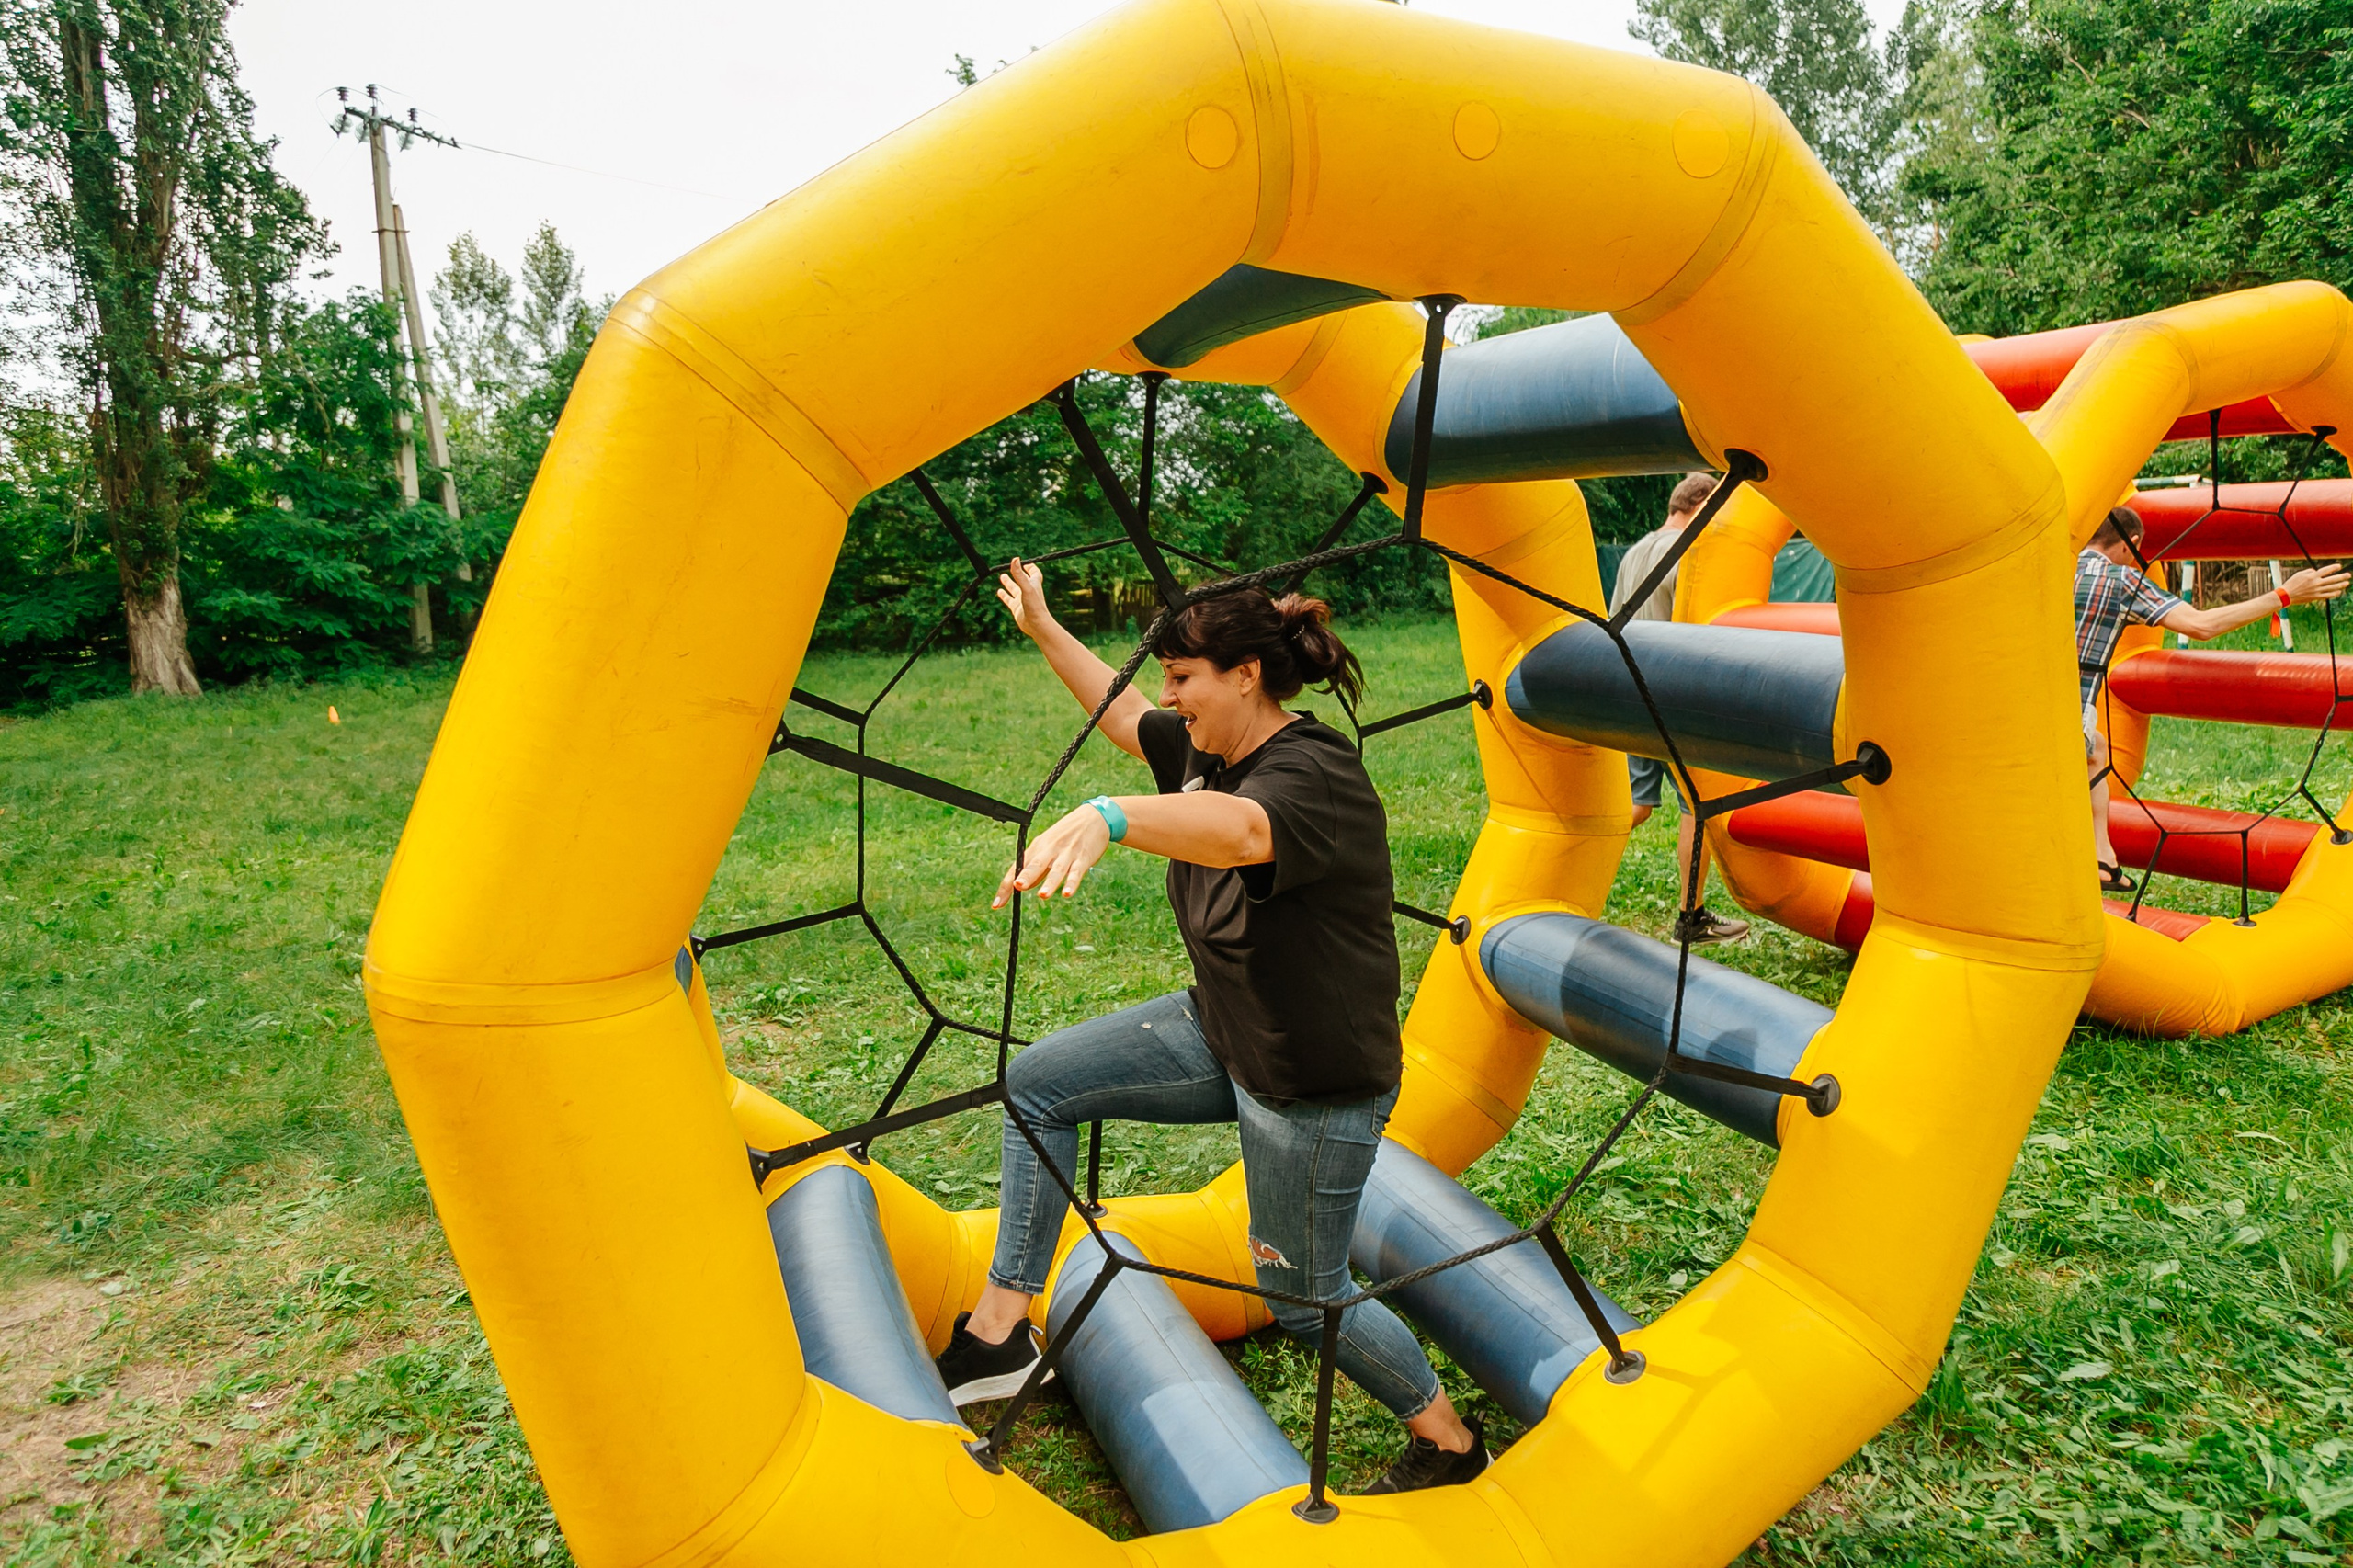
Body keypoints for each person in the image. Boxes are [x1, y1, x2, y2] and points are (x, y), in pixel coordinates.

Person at [931, 559, 1489, 1495]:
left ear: (1245, 674)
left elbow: (1238, 833)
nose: (1167, 695)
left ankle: (1450, 1441)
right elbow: (1119, 720)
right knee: (1040, 1084)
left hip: (1308, 1081)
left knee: (1303, 1298)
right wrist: (1039, 627)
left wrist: (1110, 817)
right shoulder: (1202, 749)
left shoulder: (1315, 770)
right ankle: (999, 1330)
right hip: (1222, 1028)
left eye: (1182, 676)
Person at [2076, 506, 2347, 890]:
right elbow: (2202, 625)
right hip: (2065, 730)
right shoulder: (2121, 581)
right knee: (2085, 744)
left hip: (2014, 719)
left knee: (2097, 749)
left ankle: (2103, 858)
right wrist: (2286, 594)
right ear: (2131, 544)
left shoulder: (2054, 565)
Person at [1611, 472, 1749, 946]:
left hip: (1628, 693)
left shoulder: (1634, 552)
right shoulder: (1694, 553)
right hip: (1673, 698)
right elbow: (1701, 635)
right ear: (1703, 504)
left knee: (1635, 806)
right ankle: (1690, 919)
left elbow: (1615, 623)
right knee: (1698, 804)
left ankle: (1568, 877)